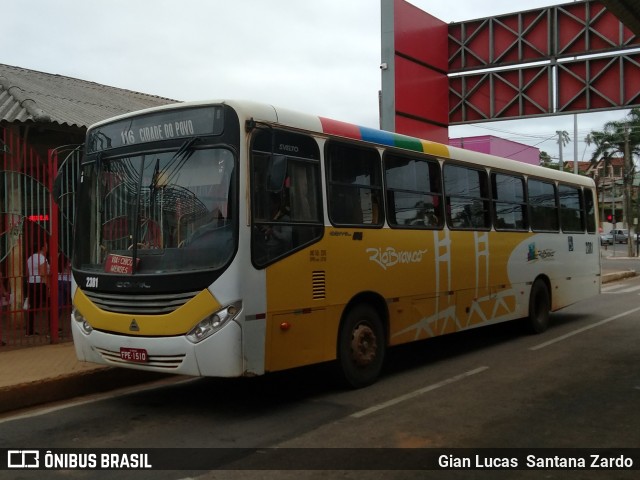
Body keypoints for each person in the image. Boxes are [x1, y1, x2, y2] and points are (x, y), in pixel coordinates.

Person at [26, 242, 50, 336]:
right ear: (43, 247)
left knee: (32, 307)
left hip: (31, 283)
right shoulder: (41, 258)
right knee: (50, 304)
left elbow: (27, 273)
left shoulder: (30, 258)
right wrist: (48, 287)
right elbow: (43, 274)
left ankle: (29, 330)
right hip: (40, 284)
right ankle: (52, 328)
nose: (47, 248)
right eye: (46, 246)